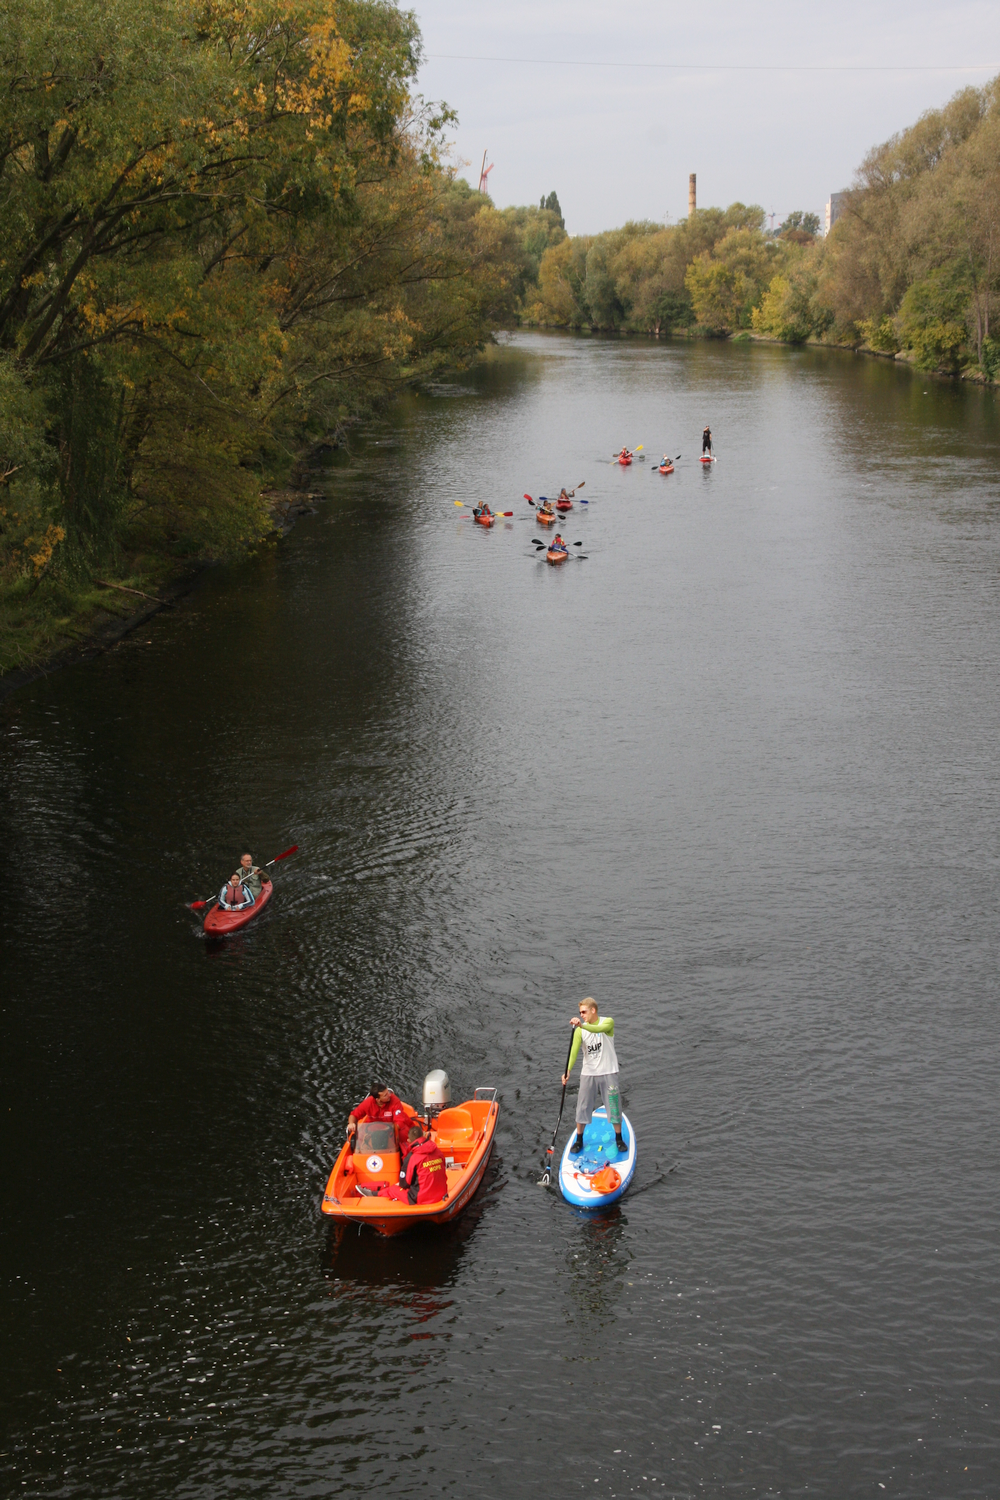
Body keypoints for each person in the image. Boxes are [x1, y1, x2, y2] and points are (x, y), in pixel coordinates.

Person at [561, 996, 626, 1157]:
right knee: (582, 1107)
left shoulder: (607, 1022)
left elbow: (598, 1030)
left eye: (584, 1012)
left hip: (608, 1071)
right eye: (580, 1013)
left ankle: (619, 1138)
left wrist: (582, 1025)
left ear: (593, 1010)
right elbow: (574, 1051)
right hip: (588, 1073)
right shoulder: (579, 1031)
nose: (581, 1015)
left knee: (614, 1105)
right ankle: (579, 1139)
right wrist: (568, 1070)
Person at [373, 1124, 448, 1204]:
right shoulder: (438, 1151)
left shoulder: (412, 1157)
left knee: (393, 1189)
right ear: (423, 1135)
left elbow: (404, 1184)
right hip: (441, 1194)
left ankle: (375, 1194)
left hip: (420, 1198)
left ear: (409, 1141)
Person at [346, 1085, 409, 1151]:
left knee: (403, 1134)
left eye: (388, 1092)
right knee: (360, 1136)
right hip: (373, 1127)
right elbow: (354, 1115)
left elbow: (399, 1121)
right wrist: (351, 1123)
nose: (389, 1095)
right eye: (385, 1095)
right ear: (378, 1100)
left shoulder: (395, 1101)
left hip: (391, 1129)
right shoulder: (368, 1103)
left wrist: (386, 1131)